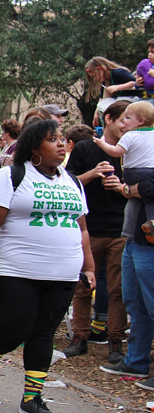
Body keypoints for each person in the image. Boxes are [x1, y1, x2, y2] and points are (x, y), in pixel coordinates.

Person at [0, 120, 95, 413]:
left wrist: (89, 266)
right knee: (15, 328)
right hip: (17, 269)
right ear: (34, 146)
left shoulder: (73, 182)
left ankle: (32, 397)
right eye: (52, 139)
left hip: (63, 273)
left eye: (62, 139)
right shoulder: (10, 176)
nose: (61, 144)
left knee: (44, 333)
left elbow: (81, 229)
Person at [64, 100, 130, 363]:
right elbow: (67, 183)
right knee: (82, 286)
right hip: (89, 229)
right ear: (109, 119)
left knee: (118, 290)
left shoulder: (133, 151)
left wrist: (122, 187)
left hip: (120, 229)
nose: (128, 125)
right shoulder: (84, 148)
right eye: (124, 119)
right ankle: (79, 337)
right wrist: (92, 173)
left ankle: (116, 341)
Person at [99, 155, 154, 390]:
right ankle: (136, 361)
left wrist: (128, 187)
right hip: (133, 237)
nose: (124, 123)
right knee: (135, 302)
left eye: (129, 117)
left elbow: (148, 187)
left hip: (150, 243)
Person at [93, 101, 154, 223]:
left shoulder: (130, 135)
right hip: (150, 173)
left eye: (127, 118)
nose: (125, 121)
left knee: (144, 199)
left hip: (132, 174)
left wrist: (102, 144)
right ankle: (151, 220)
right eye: (123, 119)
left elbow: (116, 152)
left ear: (141, 121)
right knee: (150, 201)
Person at [86, 57, 140, 126]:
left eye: (95, 75)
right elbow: (103, 98)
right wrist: (96, 113)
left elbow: (134, 83)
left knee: (116, 106)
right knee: (103, 105)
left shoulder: (118, 72)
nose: (95, 79)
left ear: (101, 69)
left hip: (132, 98)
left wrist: (118, 87)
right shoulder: (105, 81)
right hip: (120, 101)